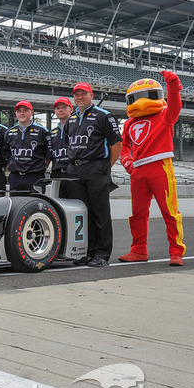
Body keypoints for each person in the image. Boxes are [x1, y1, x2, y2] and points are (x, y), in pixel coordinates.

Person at [118, 72, 186, 266]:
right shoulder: (129, 123)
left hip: (161, 167)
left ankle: (176, 251)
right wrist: (127, 162)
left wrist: (173, 85)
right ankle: (138, 250)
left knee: (170, 212)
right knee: (137, 214)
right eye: (137, 97)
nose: (141, 101)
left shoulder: (165, 115)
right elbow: (124, 147)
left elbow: (175, 105)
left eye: (147, 95)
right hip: (138, 171)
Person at [66, 82, 122, 268]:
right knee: (83, 214)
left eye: (83, 94)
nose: (79, 97)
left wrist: (105, 167)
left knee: (100, 214)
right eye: (76, 95)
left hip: (96, 169)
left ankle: (102, 254)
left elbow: (116, 144)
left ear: (92, 95)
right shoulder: (72, 117)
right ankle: (87, 252)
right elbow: (68, 143)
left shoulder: (104, 116)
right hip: (76, 171)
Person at [2, 100, 50, 191]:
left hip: (35, 177)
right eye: (19, 111)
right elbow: (6, 153)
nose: (22, 113)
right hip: (15, 177)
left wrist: (41, 168)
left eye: (25, 110)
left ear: (31, 112)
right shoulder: (9, 133)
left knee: (36, 204)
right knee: (16, 204)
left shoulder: (42, 131)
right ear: (15, 113)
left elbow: (48, 154)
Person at [49, 97, 73, 179]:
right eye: (57, 108)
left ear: (71, 110)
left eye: (64, 107)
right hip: (57, 173)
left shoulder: (78, 128)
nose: (60, 110)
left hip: (73, 173)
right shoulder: (52, 133)